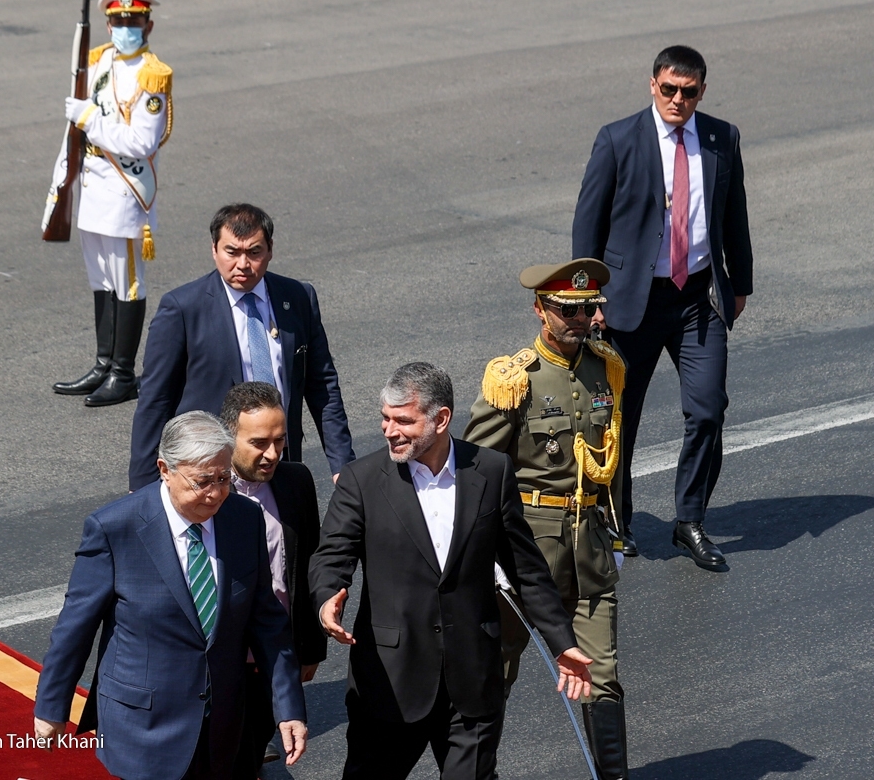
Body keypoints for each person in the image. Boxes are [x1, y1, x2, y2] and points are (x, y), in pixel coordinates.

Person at [310, 362, 593, 780]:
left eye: (403, 420)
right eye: (385, 418)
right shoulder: (362, 479)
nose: (390, 430)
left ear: (441, 419)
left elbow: (525, 568)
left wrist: (560, 640)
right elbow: (332, 554)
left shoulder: (492, 471)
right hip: (391, 681)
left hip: (472, 682)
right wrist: (326, 599)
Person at [33, 411, 308, 780]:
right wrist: (52, 705)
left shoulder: (244, 518)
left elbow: (267, 622)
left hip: (222, 724)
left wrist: (288, 706)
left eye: (224, 478)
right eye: (202, 481)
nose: (215, 494)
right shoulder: (115, 528)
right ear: (165, 469)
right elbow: (75, 626)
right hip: (144, 726)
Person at [572, 44, 753, 571]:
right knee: (618, 421)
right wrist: (588, 299)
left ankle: (688, 520)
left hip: (698, 299)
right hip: (631, 303)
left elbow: (735, 215)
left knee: (708, 409)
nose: (678, 99)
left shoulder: (722, 138)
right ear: (653, 84)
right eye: (669, 89)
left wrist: (739, 284)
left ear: (701, 91)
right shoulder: (618, 138)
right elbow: (589, 224)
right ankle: (618, 522)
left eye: (689, 92)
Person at [464, 258, 630, 779]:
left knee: (601, 673)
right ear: (540, 310)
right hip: (526, 546)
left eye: (588, 309)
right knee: (500, 668)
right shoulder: (514, 380)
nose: (582, 320)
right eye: (568, 311)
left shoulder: (606, 366)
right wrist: (479, 550)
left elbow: (609, 460)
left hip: (589, 545)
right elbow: (475, 470)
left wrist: (617, 532)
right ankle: (476, 771)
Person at [129, 203, 354, 490]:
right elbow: (155, 400)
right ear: (214, 249)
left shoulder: (297, 297)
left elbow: (322, 385)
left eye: (254, 252)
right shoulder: (183, 309)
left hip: (278, 461)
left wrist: (343, 464)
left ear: (270, 249)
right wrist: (142, 484)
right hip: (211, 470)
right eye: (232, 252)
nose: (243, 264)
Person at [51, 0, 173, 407]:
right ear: (107, 23)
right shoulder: (99, 61)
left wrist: (89, 117)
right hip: (93, 187)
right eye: (119, 20)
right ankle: (103, 364)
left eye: (133, 20)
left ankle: (123, 373)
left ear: (148, 24)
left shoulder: (152, 75)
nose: (125, 27)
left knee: (126, 283)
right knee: (101, 279)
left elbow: (142, 142)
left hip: (125, 192)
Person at [219, 382, 327, 779]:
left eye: (280, 441)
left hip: (274, 660)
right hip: (220, 663)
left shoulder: (295, 481)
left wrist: (311, 646)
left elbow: (309, 566)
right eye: (259, 443)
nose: (272, 455)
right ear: (229, 436)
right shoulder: (207, 490)